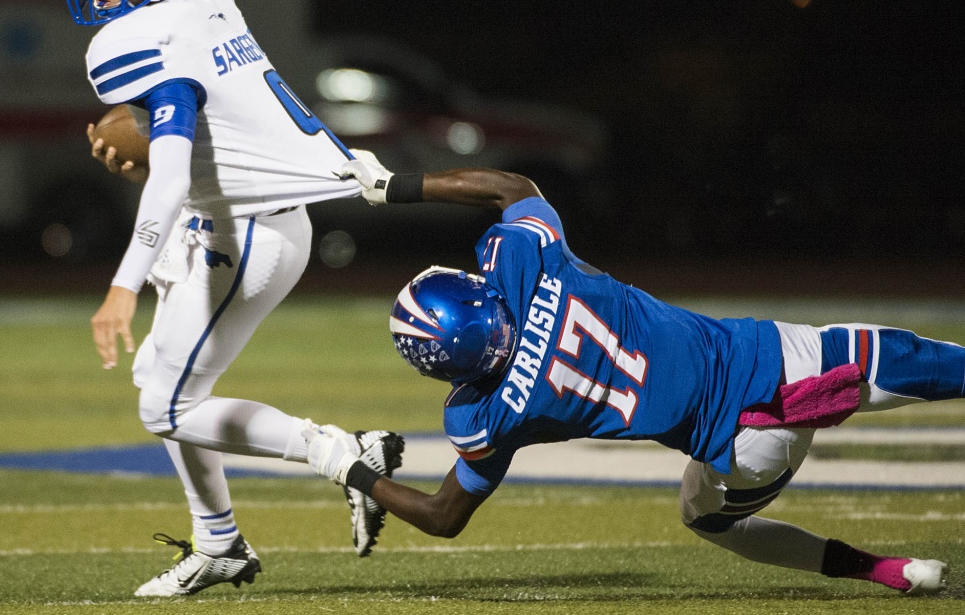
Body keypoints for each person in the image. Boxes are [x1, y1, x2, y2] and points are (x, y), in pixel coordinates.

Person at [304, 158, 958, 595]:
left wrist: (351, 469)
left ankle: (889, 571)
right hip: (788, 358)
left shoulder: (483, 416)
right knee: (933, 363)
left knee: (705, 518)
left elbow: (444, 516)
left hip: (753, 447)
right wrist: (393, 185)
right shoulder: (534, 265)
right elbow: (511, 187)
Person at [65, 0, 403, 596]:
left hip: (250, 228)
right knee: (158, 376)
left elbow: (170, 173)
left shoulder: (132, 42)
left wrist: (124, 282)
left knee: (166, 405)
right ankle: (219, 542)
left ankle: (343, 452)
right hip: (239, 215)